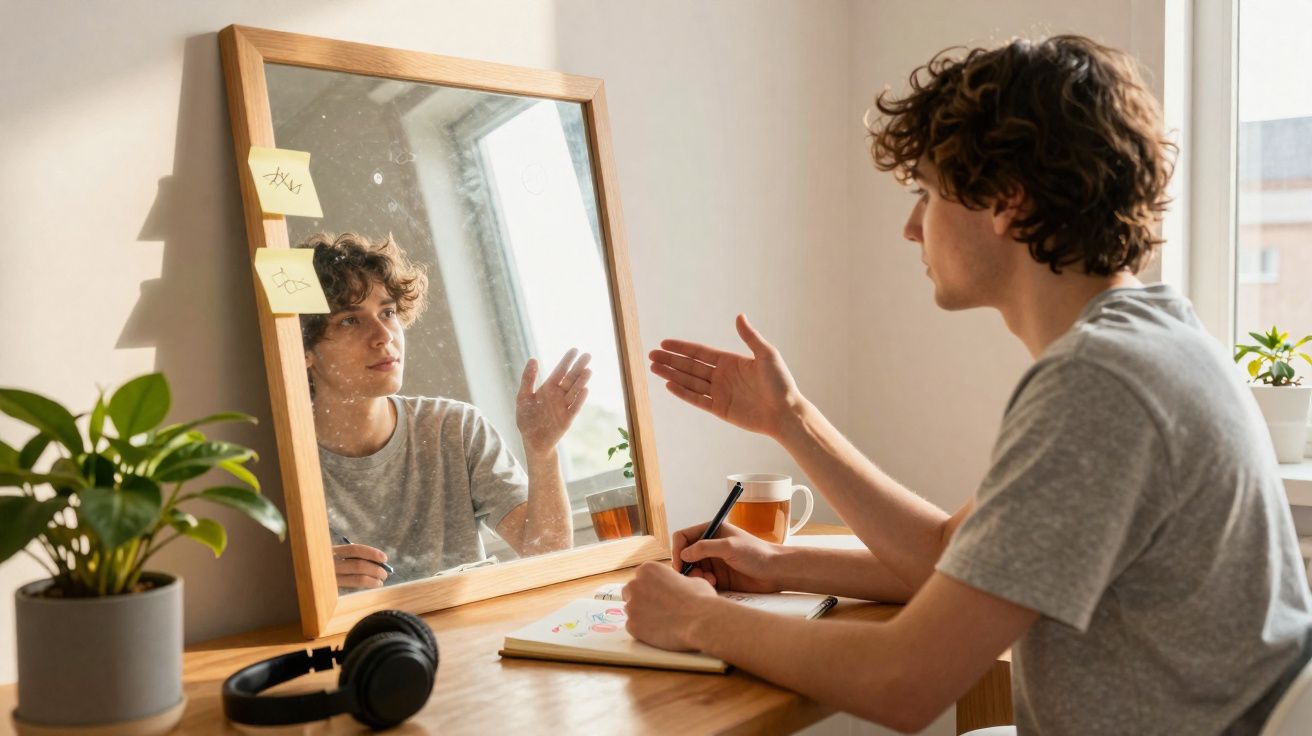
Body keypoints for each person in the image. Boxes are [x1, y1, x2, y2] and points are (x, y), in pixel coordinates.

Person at [622, 35, 1312, 734]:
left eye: (927, 191)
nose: (912, 227)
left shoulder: (1099, 384)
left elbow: (906, 681)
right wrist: (783, 500)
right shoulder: (1156, 337)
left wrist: (697, 619)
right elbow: (960, 553)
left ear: (1007, 201)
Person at [297, 232, 591, 590]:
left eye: (388, 312)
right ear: (303, 350)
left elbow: (549, 555)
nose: (383, 335)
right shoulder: (285, 467)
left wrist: (542, 451)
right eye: (350, 320)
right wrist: (302, 578)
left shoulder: (455, 428)